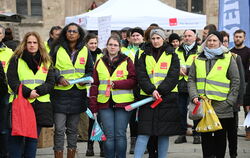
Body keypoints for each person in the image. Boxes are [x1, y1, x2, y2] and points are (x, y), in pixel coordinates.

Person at [188, 31, 240, 158]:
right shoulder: (198, 58)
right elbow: (191, 79)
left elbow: (236, 81)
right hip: (202, 104)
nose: (211, 43)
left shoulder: (228, 58)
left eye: (215, 40)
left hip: (222, 105)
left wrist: (229, 102)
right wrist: (194, 96)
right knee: (205, 138)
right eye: (209, 40)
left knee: (220, 138)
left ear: (220, 43)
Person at [134, 27, 184, 158]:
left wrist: (160, 91)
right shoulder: (143, 54)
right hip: (148, 98)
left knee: (163, 133)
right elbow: (141, 75)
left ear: (164, 39)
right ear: (150, 39)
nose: (155, 41)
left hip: (167, 99)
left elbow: (173, 76)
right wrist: (151, 90)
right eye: (153, 38)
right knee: (144, 132)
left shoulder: (172, 54)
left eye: (158, 38)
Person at [7, 31, 55, 158]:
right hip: (21, 103)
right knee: (17, 138)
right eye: (29, 42)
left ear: (39, 44)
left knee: (32, 139)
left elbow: (50, 82)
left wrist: (37, 92)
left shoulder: (47, 61)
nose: (32, 45)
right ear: (24, 44)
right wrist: (28, 92)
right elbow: (12, 81)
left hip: (40, 105)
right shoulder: (16, 59)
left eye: (35, 42)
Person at [50, 23, 93, 158]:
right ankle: (58, 154)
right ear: (65, 33)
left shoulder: (85, 50)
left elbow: (90, 71)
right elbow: (50, 68)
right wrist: (59, 77)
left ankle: (71, 154)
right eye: (69, 31)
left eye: (75, 31)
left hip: (77, 94)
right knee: (59, 129)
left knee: (73, 130)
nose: (72, 33)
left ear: (79, 34)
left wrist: (85, 79)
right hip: (60, 94)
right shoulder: (56, 48)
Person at [89, 35, 136, 158]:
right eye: (110, 44)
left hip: (123, 103)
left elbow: (134, 80)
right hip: (104, 103)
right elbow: (94, 85)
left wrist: (117, 84)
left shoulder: (127, 60)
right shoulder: (99, 61)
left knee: (120, 134)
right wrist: (93, 108)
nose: (112, 47)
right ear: (106, 46)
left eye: (115, 45)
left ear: (119, 47)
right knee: (109, 135)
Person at [174, 30, 201, 145]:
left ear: (195, 37)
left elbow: (201, 67)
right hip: (180, 84)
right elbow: (172, 65)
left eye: (190, 36)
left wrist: (188, 70)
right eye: (185, 36)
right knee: (180, 111)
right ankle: (182, 133)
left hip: (194, 84)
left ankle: (197, 134)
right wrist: (177, 70)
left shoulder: (200, 50)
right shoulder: (177, 50)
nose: (187, 38)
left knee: (195, 110)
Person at [221, 30, 245, 158]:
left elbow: (240, 81)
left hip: (232, 102)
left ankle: (233, 154)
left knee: (232, 132)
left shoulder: (235, 57)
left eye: (225, 41)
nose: (223, 43)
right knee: (219, 133)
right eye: (222, 41)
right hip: (217, 102)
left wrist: (238, 101)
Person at [84, 33, 104, 157]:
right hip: (87, 92)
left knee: (101, 120)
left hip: (99, 91)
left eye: (95, 43)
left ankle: (102, 148)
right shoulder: (84, 54)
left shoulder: (101, 55)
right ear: (86, 44)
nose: (93, 45)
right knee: (92, 120)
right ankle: (90, 147)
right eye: (91, 43)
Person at [231, 29, 250, 140]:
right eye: (236, 36)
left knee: (247, 108)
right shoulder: (230, 52)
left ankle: (248, 131)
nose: (237, 39)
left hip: (247, 84)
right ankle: (233, 130)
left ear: (244, 38)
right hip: (234, 84)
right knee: (234, 108)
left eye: (240, 37)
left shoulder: (248, 52)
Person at [0, 25, 14, 158]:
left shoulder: (9, 53)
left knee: (3, 128)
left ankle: (5, 154)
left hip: (4, 94)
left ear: (3, 35)